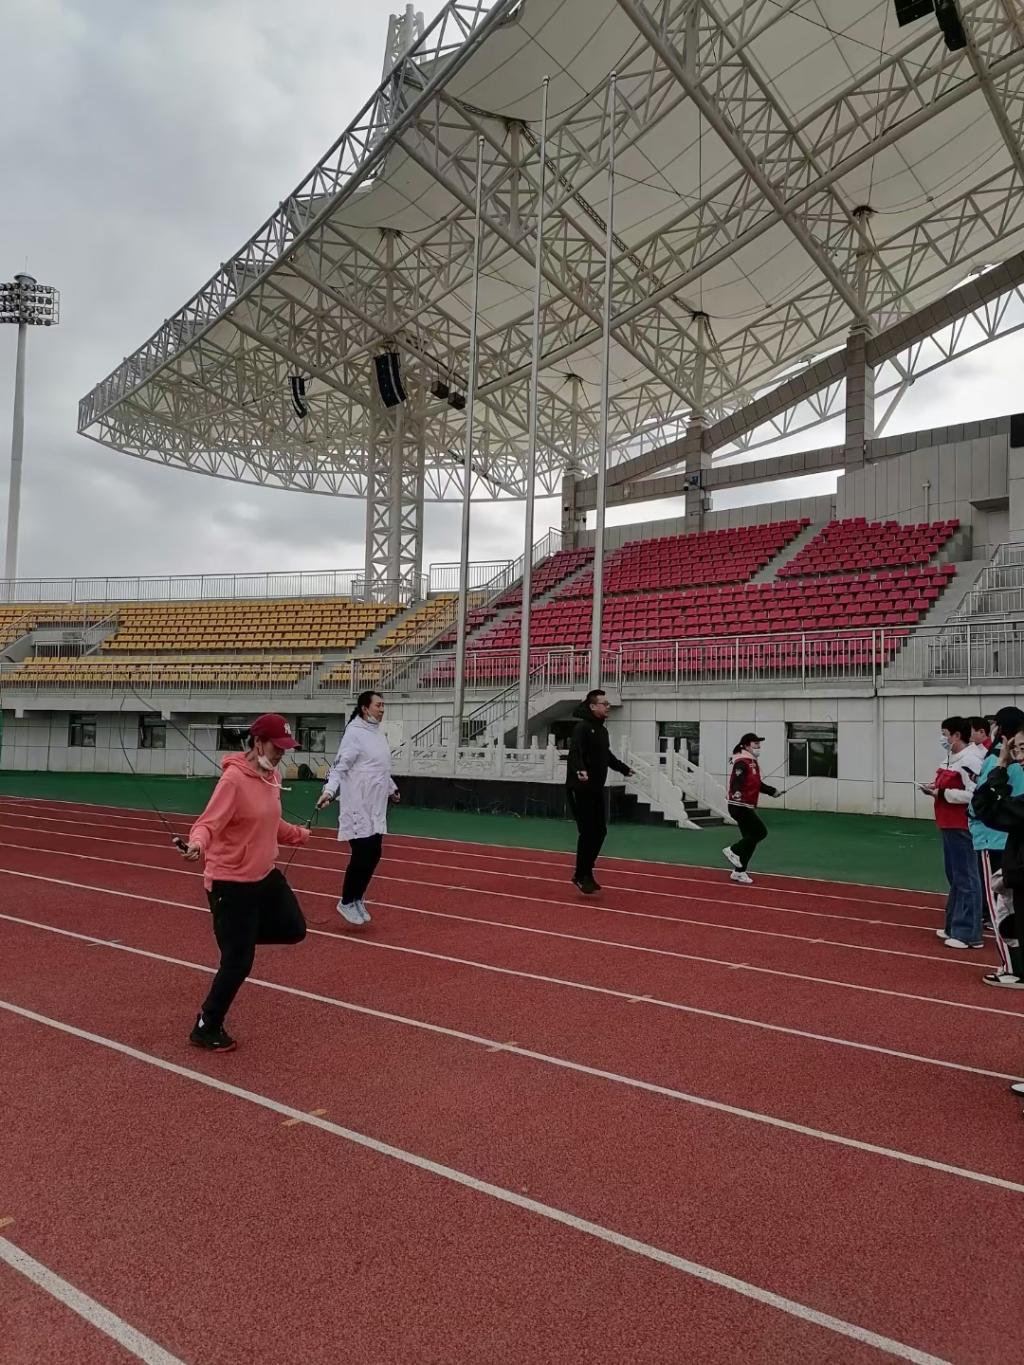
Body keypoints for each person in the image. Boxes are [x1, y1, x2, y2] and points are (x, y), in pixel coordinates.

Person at [182, 713, 310, 1051]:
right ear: (258, 743)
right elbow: (207, 824)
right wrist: (197, 845)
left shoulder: (272, 777)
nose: (282, 753)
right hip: (231, 883)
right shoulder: (233, 781)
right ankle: (206, 1025)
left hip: (265, 876)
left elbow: (270, 821)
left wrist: (297, 835)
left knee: (294, 928)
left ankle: (240, 934)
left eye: (286, 747)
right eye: (277, 746)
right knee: (238, 963)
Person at [316, 690, 399, 925]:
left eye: (383, 705)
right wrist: (329, 791)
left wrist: (392, 789)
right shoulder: (354, 733)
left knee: (374, 853)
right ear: (364, 708)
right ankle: (346, 901)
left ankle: (357, 897)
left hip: (376, 805)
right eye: (378, 705)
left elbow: (380, 767)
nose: (382, 709)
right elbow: (339, 767)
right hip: (358, 804)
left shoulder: (378, 734)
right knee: (362, 854)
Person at [919, 716, 986, 950]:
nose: (943, 738)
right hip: (948, 824)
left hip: (962, 825)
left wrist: (944, 794)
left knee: (966, 877)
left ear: (957, 735)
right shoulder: (951, 758)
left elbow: (976, 793)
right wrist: (934, 788)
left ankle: (969, 933)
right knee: (955, 876)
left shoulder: (970, 760)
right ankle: (954, 925)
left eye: (945, 734)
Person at [968, 706, 1024, 982]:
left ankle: (1013, 968)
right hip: (1009, 836)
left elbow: (980, 804)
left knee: (1002, 908)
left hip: (996, 838)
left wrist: (1001, 764)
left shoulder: (997, 760)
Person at [566, 689, 633, 895]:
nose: (608, 707)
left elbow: (606, 756)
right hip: (581, 787)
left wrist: (623, 768)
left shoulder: (602, 731)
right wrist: (580, 769)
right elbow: (575, 752)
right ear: (593, 706)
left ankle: (586, 872)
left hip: (596, 787)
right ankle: (581, 874)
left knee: (600, 831)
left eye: (607, 704)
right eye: (604, 704)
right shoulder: (582, 728)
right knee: (588, 832)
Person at [723, 733, 782, 885]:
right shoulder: (742, 762)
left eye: (759, 744)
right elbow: (737, 780)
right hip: (739, 805)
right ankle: (733, 850)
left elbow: (757, 784)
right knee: (760, 832)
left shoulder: (752, 762)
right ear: (746, 745)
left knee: (750, 840)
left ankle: (739, 872)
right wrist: (736, 793)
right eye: (755, 744)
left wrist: (773, 791)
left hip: (745, 805)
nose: (758, 746)